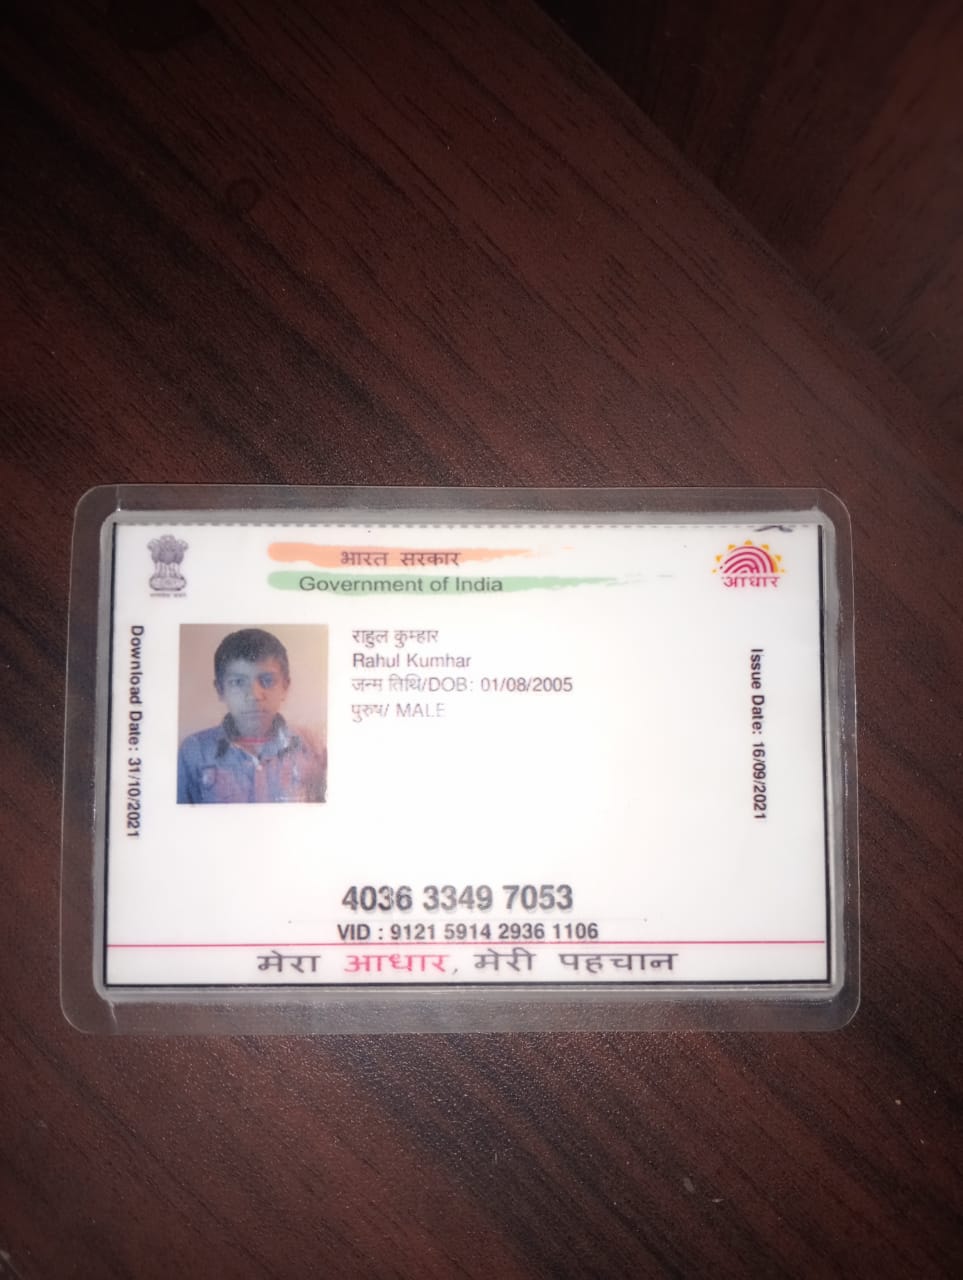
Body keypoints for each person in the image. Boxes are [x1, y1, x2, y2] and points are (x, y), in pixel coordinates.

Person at [177, 628, 326, 803]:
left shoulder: (312, 748)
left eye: (268, 681)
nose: (254, 695)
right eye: (238, 682)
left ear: (285, 687)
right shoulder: (194, 752)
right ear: (220, 690)